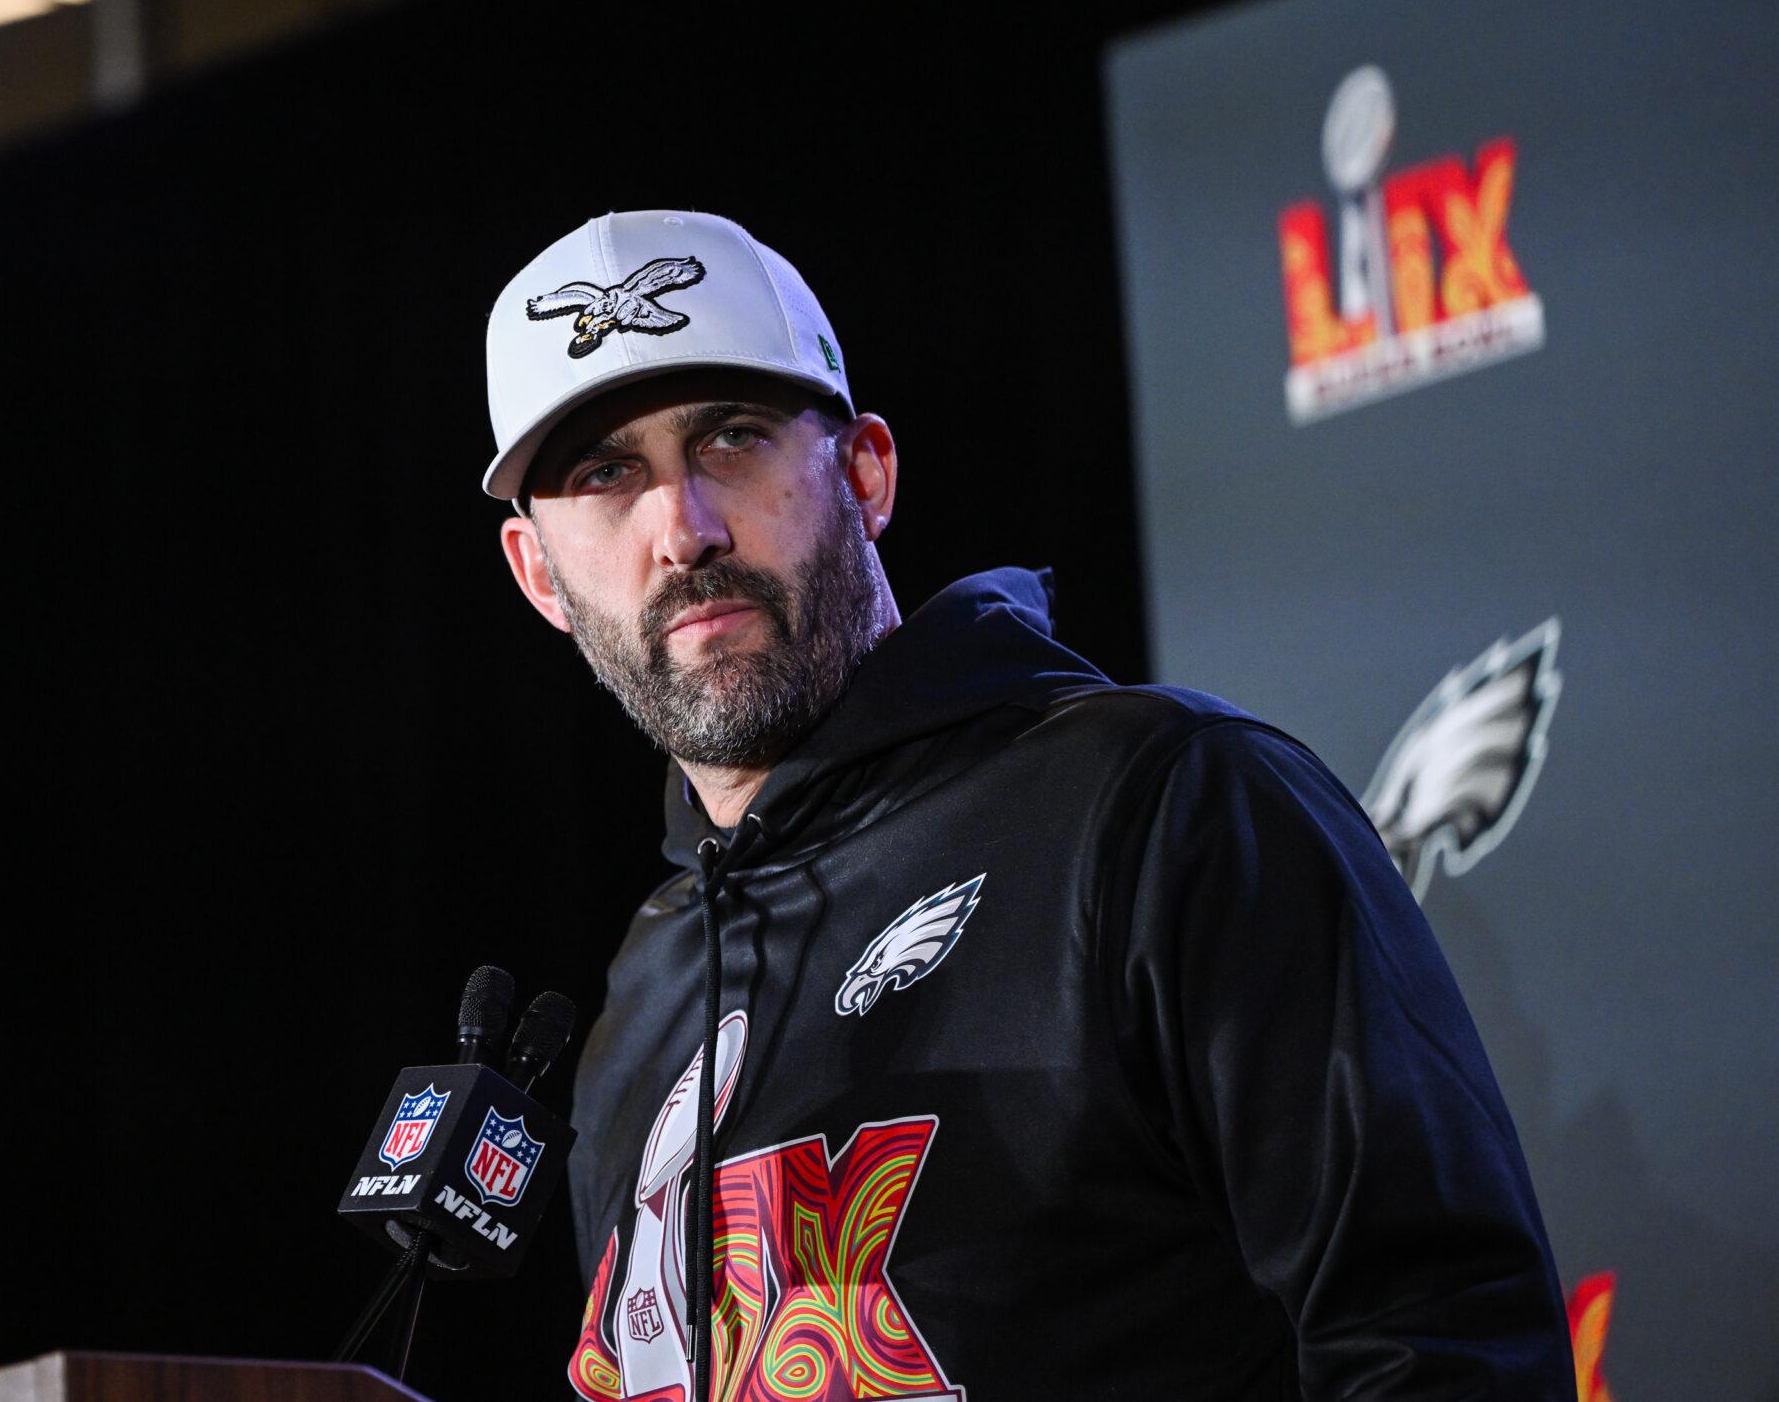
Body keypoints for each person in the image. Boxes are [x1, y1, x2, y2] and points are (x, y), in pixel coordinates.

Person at [482, 210, 1573, 1401]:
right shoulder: (645, 994)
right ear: (540, 576)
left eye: (730, 438)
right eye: (605, 476)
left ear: (864, 473)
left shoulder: (1161, 801)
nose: (683, 530)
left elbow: (1437, 1337)